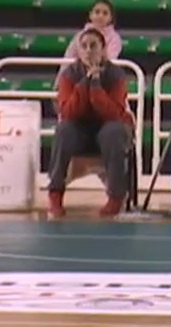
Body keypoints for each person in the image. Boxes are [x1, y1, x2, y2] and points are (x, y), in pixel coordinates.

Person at [47, 27, 134, 220]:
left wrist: (95, 85)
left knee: (114, 131)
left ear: (103, 50)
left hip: (108, 127)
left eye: (93, 46)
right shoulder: (69, 75)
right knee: (63, 130)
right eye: (84, 46)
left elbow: (114, 113)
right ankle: (55, 194)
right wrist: (84, 84)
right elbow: (68, 112)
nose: (88, 50)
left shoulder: (116, 75)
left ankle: (116, 196)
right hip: (80, 130)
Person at [58, 0, 122, 77]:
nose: (100, 16)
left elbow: (110, 59)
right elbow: (69, 56)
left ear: (110, 18)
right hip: (78, 75)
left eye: (105, 13)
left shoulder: (114, 38)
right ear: (90, 15)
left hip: (103, 77)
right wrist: (61, 78)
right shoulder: (80, 35)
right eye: (97, 12)